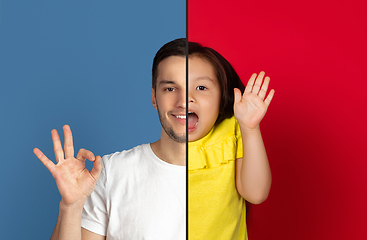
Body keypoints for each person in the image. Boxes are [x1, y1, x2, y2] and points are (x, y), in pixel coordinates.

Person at [33, 38, 188, 240]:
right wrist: (71, 207)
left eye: (199, 88)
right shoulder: (112, 172)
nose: (183, 101)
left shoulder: (236, 173)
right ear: (154, 98)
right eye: (170, 88)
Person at [187, 42, 274, 239]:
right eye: (174, 88)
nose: (187, 97)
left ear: (222, 96)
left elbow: (256, 193)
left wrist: (250, 128)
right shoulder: (153, 155)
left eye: (201, 87)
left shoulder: (231, 131)